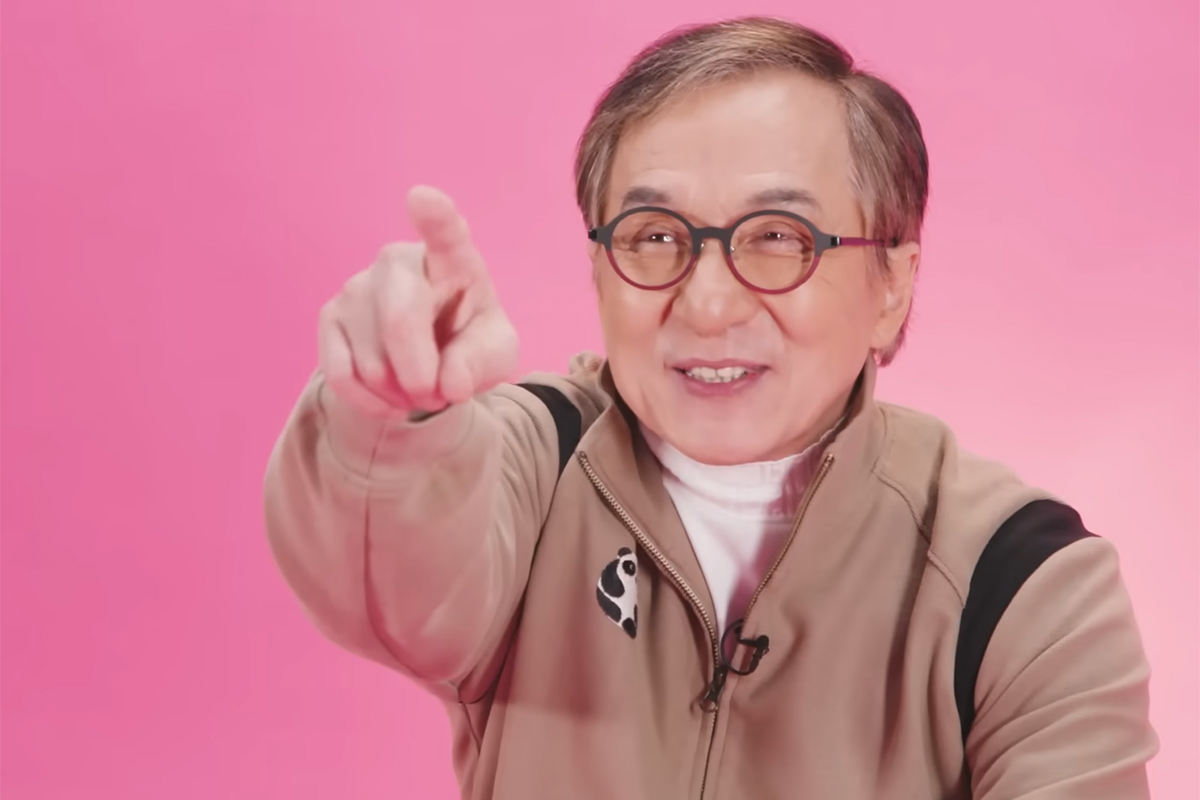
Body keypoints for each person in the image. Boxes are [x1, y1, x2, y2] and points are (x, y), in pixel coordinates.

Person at [263, 16, 1157, 800]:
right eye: (656, 236)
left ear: (892, 283)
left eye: (778, 238)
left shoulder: (1024, 583)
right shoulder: (534, 466)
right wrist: (389, 418)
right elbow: (389, 576)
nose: (708, 304)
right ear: (599, 268)